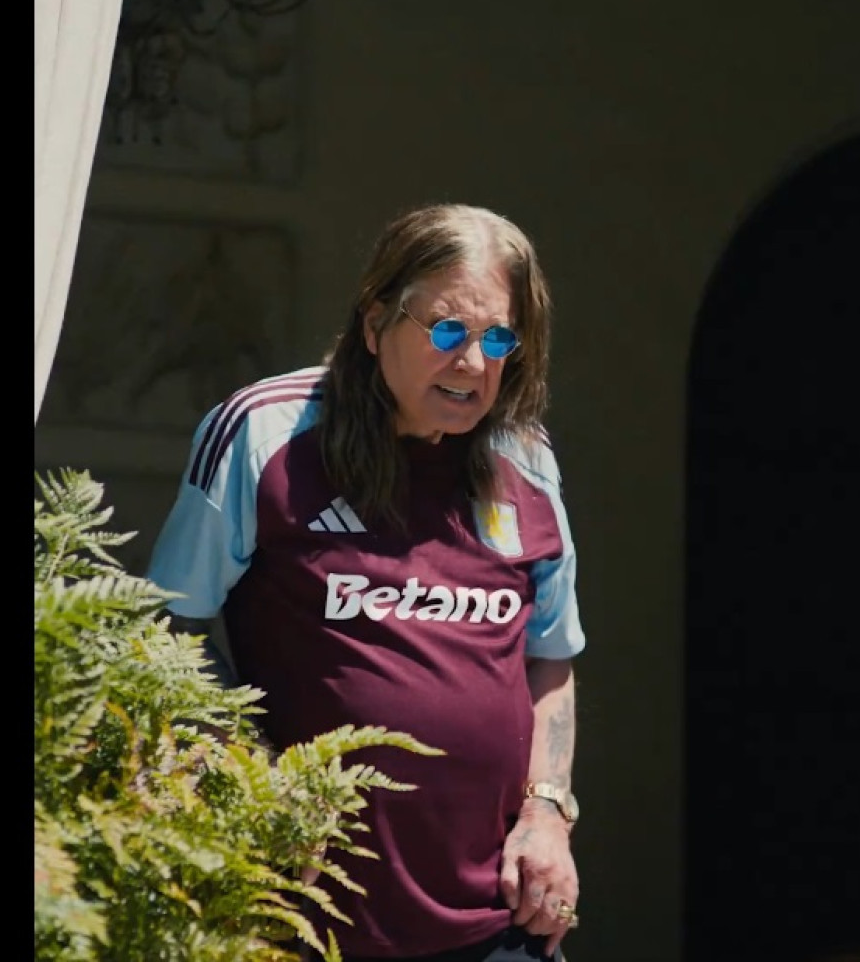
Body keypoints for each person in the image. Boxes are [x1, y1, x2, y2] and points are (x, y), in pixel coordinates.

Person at [145, 203, 586, 962]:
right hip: (298, 915)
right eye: (447, 330)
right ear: (377, 324)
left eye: (498, 338)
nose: (473, 364)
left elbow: (551, 657)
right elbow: (162, 637)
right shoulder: (263, 434)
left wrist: (547, 812)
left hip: (497, 922)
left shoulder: (528, 460)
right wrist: (254, 785)